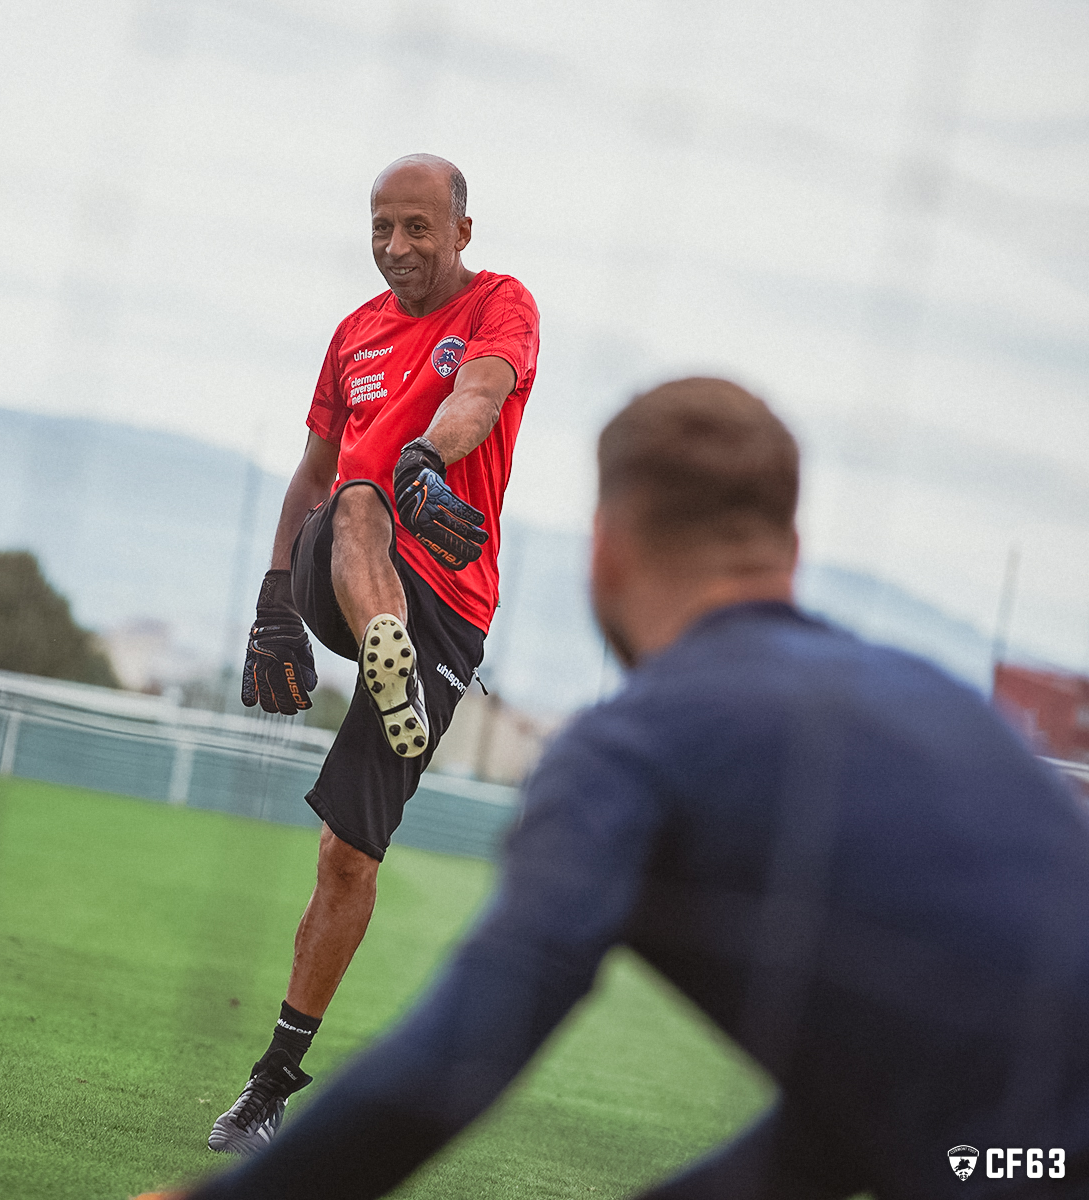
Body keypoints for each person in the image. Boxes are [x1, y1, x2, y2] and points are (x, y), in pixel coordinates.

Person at [151, 378, 1089, 1200]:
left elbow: (461, 1056)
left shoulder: (635, 748)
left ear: (604, 547)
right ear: (790, 549)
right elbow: (900, 1125)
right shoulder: (949, 705)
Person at [212, 154, 540, 1154]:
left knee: (347, 854)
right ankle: (376, 639)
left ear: (462, 232)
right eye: (381, 227)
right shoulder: (353, 333)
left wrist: (430, 457)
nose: (396, 247)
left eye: (417, 228)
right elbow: (312, 474)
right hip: (344, 554)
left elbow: (480, 391)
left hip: (448, 601)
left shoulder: (501, 305)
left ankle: (270, 1084)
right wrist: (274, 599)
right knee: (357, 495)